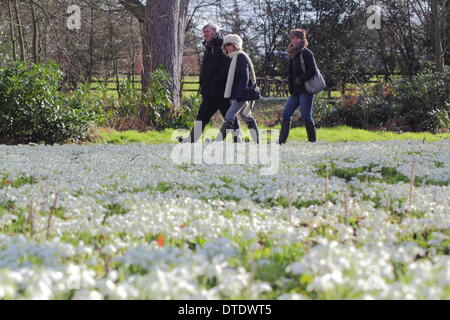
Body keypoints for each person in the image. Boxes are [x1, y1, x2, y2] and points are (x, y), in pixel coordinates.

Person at [178, 24, 241, 143]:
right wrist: (203, 84)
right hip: (209, 93)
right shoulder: (208, 48)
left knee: (230, 118)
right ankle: (191, 139)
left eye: (207, 31)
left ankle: (238, 140)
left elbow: (226, 68)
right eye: (204, 32)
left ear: (215, 32)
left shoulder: (224, 47)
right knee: (201, 117)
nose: (205, 34)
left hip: (222, 92)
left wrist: (215, 81)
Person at [215, 34, 260, 144]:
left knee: (229, 116)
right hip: (239, 93)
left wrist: (239, 94)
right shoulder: (235, 57)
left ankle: (217, 142)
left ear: (236, 45)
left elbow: (245, 76)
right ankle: (257, 142)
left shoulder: (240, 57)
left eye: (229, 45)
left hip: (241, 94)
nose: (227, 48)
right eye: (225, 46)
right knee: (246, 117)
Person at [279, 28, 318, 144]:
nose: (295, 40)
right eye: (293, 38)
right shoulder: (292, 53)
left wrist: (300, 79)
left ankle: (312, 142)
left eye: (297, 38)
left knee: (306, 116)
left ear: (302, 39)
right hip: (295, 91)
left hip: (306, 90)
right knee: (286, 114)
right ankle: (281, 142)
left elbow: (313, 70)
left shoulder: (306, 53)